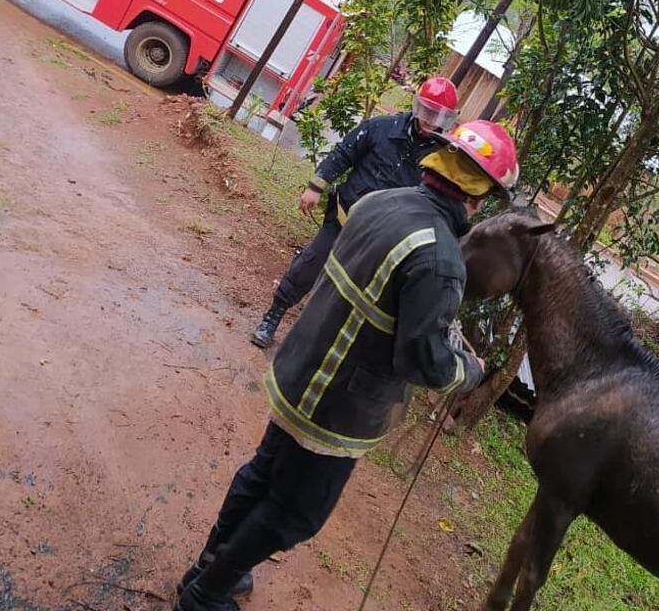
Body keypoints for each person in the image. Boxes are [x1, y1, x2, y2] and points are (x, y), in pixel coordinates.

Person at [175, 120, 520, 611]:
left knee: (261, 475)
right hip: (337, 402)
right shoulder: (441, 259)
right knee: (295, 513)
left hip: (301, 368)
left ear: (438, 164)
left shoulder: (382, 202)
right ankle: (204, 595)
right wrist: (470, 370)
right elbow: (425, 361)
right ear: (478, 196)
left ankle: (209, 566)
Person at [251, 76, 461, 348]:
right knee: (309, 265)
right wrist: (315, 187)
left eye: (439, 115)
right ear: (417, 105)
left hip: (383, 241)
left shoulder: (442, 159)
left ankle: (310, 342)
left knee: (348, 293)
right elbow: (343, 154)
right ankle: (273, 317)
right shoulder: (381, 128)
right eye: (428, 111)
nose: (431, 120)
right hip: (343, 218)